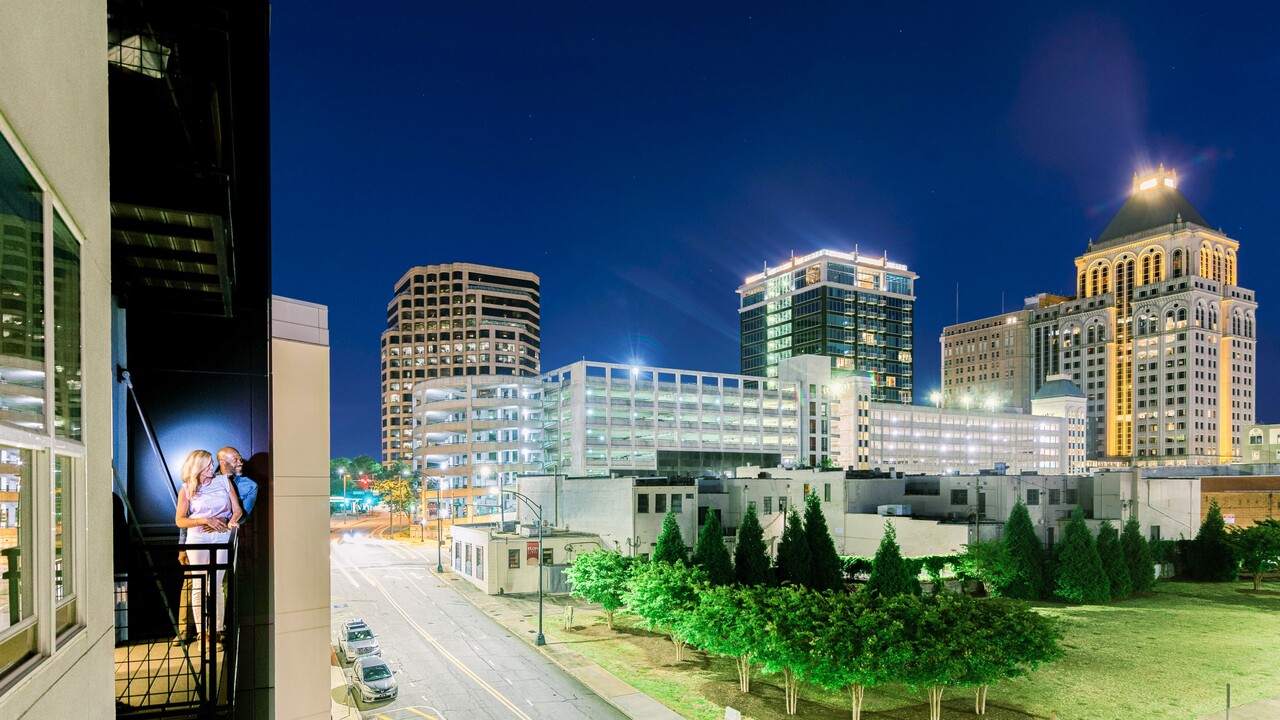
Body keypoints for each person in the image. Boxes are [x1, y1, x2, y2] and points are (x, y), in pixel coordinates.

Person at [175, 449, 242, 644]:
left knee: (217, 584)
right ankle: (201, 633)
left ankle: (216, 630)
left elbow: (236, 510)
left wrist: (232, 521)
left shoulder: (223, 481)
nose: (213, 467)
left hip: (221, 537)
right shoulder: (187, 488)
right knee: (199, 585)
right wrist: (205, 520)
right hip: (198, 538)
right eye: (208, 464)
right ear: (198, 467)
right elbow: (180, 520)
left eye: (212, 463)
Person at [217, 446, 258, 517]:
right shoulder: (208, 481)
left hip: (231, 527)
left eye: (240, 459)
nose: (240, 463)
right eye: (235, 460)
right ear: (222, 462)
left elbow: (243, 518)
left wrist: (224, 521)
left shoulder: (250, 485)